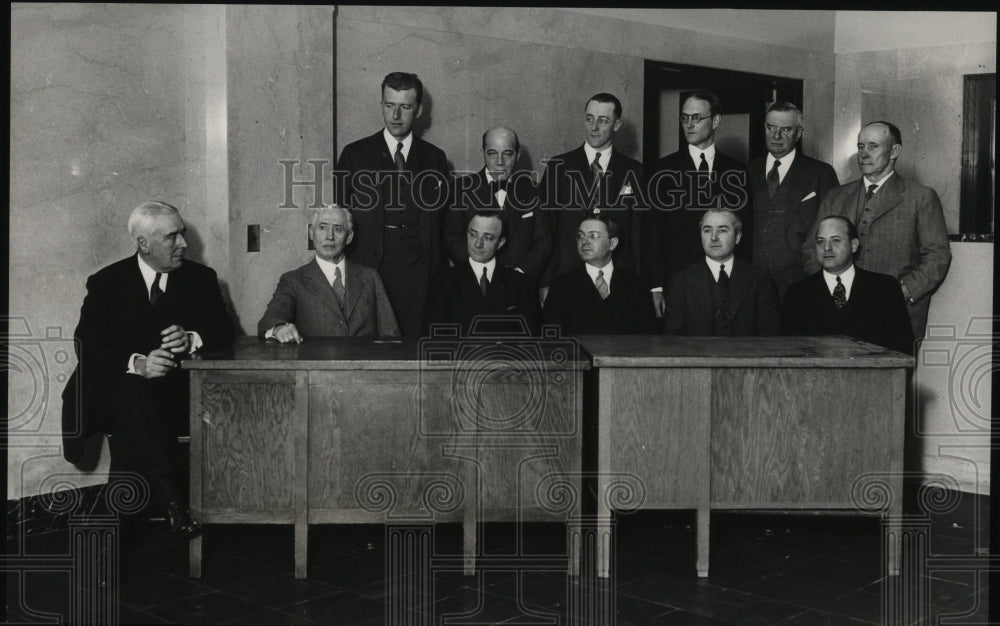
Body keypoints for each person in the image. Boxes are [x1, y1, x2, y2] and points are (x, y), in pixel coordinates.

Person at [61, 201, 234, 538]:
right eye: (173, 237)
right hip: (110, 392)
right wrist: (137, 364)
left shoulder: (200, 278)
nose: (183, 244)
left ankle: (128, 519)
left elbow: (224, 330)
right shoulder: (107, 282)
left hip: (168, 397)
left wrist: (191, 338)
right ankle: (174, 501)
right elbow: (87, 345)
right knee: (131, 390)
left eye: (182, 234)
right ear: (144, 243)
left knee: (132, 417)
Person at [803, 121, 950, 341]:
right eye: (860, 146)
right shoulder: (836, 196)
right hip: (837, 314)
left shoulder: (920, 197)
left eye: (873, 146)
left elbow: (937, 256)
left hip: (894, 315)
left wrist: (903, 292)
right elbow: (809, 250)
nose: (864, 154)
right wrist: (827, 290)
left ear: (895, 151)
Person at [334, 71, 449, 337]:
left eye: (405, 107)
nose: (395, 116)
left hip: (418, 274)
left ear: (419, 110)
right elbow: (340, 217)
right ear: (382, 104)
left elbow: (440, 223)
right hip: (367, 269)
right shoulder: (354, 155)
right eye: (389, 105)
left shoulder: (435, 159)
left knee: (412, 349)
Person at [643, 90, 751, 317]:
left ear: (716, 121)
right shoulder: (662, 170)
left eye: (696, 118)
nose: (689, 125)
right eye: (684, 118)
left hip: (725, 282)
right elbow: (650, 232)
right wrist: (656, 287)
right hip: (676, 284)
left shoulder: (737, 171)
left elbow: (745, 231)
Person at [540, 93, 645, 301]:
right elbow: (545, 229)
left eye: (603, 120)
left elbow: (638, 233)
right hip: (566, 276)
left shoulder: (634, 171)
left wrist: (643, 284)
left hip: (619, 280)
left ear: (617, 125)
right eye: (589, 119)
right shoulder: (558, 167)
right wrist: (545, 281)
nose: (594, 127)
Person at [258, 205, 400, 341]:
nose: (329, 237)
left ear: (349, 237)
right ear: (311, 233)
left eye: (338, 229)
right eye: (323, 228)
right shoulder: (294, 280)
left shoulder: (370, 277)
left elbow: (391, 333)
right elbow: (269, 320)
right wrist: (279, 328)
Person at [748, 102, 839, 301]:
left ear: (798, 133)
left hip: (802, 284)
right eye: (771, 128)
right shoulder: (747, 172)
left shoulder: (820, 173)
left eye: (786, 129)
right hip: (752, 286)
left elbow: (834, 230)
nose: (776, 136)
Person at [785, 216, 914, 355]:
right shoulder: (798, 294)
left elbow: (903, 348)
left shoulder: (885, 288)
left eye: (835, 240)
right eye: (820, 241)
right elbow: (790, 354)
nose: (826, 248)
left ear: (853, 245)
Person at [445, 126, 551, 283]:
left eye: (507, 154)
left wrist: (519, 275)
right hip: (475, 283)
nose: (500, 162)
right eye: (492, 154)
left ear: (518, 155)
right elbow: (452, 238)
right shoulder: (460, 189)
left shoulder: (534, 191)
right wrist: (480, 273)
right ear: (483, 154)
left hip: (521, 284)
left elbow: (543, 242)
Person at [665, 209, 780, 336]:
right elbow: (673, 338)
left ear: (737, 237)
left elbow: (770, 334)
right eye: (707, 230)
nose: (713, 237)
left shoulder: (760, 278)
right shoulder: (681, 281)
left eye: (722, 230)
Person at [427, 211, 540, 335]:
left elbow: (529, 340)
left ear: (500, 243)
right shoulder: (442, 282)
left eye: (487, 238)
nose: (478, 244)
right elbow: (436, 341)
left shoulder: (522, 285)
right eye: (473, 235)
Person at [542, 214, 657, 335]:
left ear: (612, 243)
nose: (584, 241)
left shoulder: (636, 285)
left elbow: (648, 338)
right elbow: (551, 339)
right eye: (580, 236)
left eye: (594, 235)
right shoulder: (561, 286)